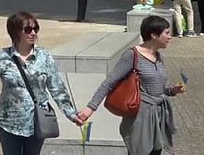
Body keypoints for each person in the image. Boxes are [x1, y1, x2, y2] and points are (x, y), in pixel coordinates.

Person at [0, 11, 83, 155]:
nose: (33, 33)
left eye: (35, 29)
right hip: (8, 122)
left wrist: (72, 114)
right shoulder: (3, 57)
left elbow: (57, 88)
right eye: (28, 29)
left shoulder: (44, 57)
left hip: (37, 121)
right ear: (15, 32)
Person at [77, 15, 186, 155]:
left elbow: (159, 89)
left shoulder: (159, 57)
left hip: (158, 118)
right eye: (167, 33)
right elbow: (109, 82)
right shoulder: (132, 55)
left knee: (156, 151)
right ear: (154, 35)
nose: (170, 37)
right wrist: (90, 108)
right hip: (140, 118)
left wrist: (172, 90)